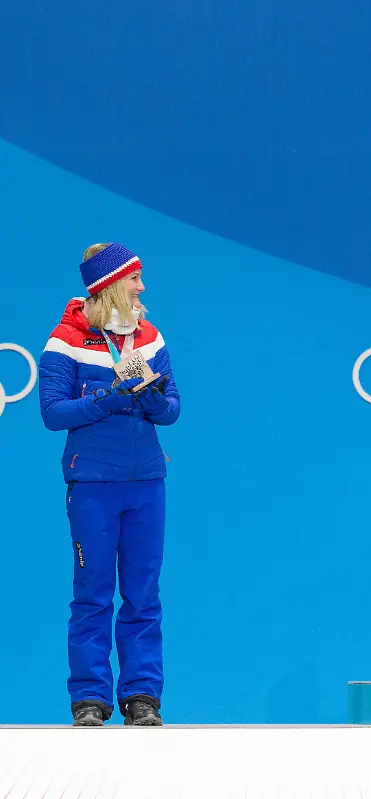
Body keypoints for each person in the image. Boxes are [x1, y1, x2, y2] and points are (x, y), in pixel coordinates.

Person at [37, 242, 181, 726]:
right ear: (111, 285)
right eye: (135, 279)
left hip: (146, 482)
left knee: (144, 593)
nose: (142, 287)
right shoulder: (65, 339)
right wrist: (108, 398)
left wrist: (151, 399)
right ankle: (90, 699)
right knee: (93, 592)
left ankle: (142, 696)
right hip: (93, 483)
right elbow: (53, 413)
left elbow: (174, 409)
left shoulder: (150, 337)